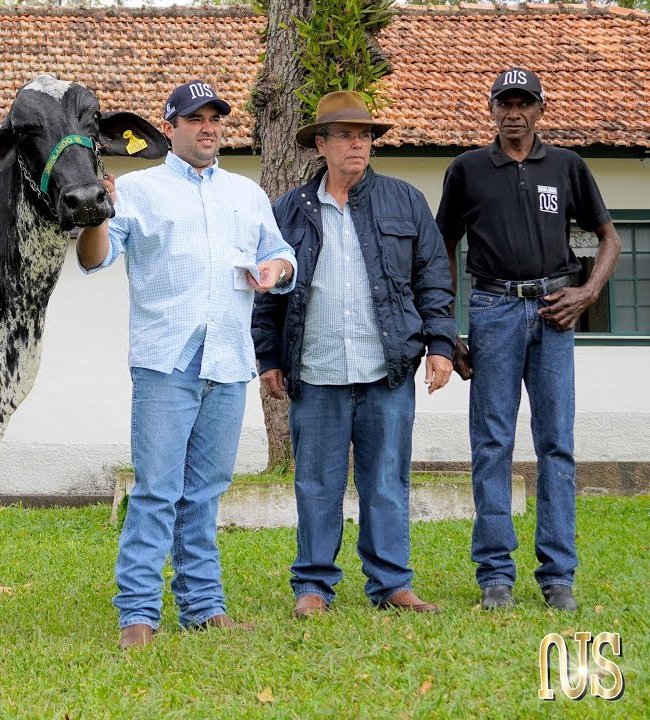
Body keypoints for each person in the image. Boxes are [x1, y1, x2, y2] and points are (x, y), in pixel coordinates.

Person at [77, 79, 296, 649]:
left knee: (205, 492)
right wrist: (100, 212)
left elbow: (281, 253)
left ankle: (203, 605)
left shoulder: (246, 194)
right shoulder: (139, 189)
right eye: (195, 119)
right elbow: (93, 260)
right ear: (169, 128)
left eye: (215, 119)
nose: (208, 128)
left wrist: (274, 272)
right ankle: (138, 614)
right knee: (156, 490)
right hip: (165, 361)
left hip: (227, 358)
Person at [252, 91, 456, 619]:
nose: (357, 145)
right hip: (316, 369)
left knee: (386, 479)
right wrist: (268, 357)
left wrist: (440, 345)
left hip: (385, 368)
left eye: (364, 135)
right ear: (320, 144)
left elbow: (434, 278)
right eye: (344, 135)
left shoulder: (405, 201)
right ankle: (314, 588)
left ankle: (392, 584)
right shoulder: (287, 210)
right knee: (316, 483)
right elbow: (267, 291)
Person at [436, 68, 622, 612]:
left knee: (556, 444)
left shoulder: (567, 166)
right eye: (504, 103)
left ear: (541, 110)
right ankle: (496, 575)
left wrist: (586, 293)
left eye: (525, 103)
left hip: (555, 312)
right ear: (490, 109)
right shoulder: (467, 169)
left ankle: (558, 575)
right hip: (492, 310)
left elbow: (609, 237)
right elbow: (442, 246)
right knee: (491, 444)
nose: (514, 112)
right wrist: (447, 327)